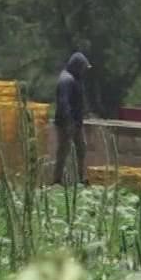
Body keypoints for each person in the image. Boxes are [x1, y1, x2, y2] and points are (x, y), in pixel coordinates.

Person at [51, 51, 91, 185]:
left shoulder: (75, 78)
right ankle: (57, 180)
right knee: (63, 150)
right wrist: (69, 122)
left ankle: (80, 177)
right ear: (77, 66)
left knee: (81, 148)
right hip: (66, 123)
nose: (83, 71)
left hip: (76, 123)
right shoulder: (66, 80)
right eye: (82, 67)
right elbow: (63, 102)